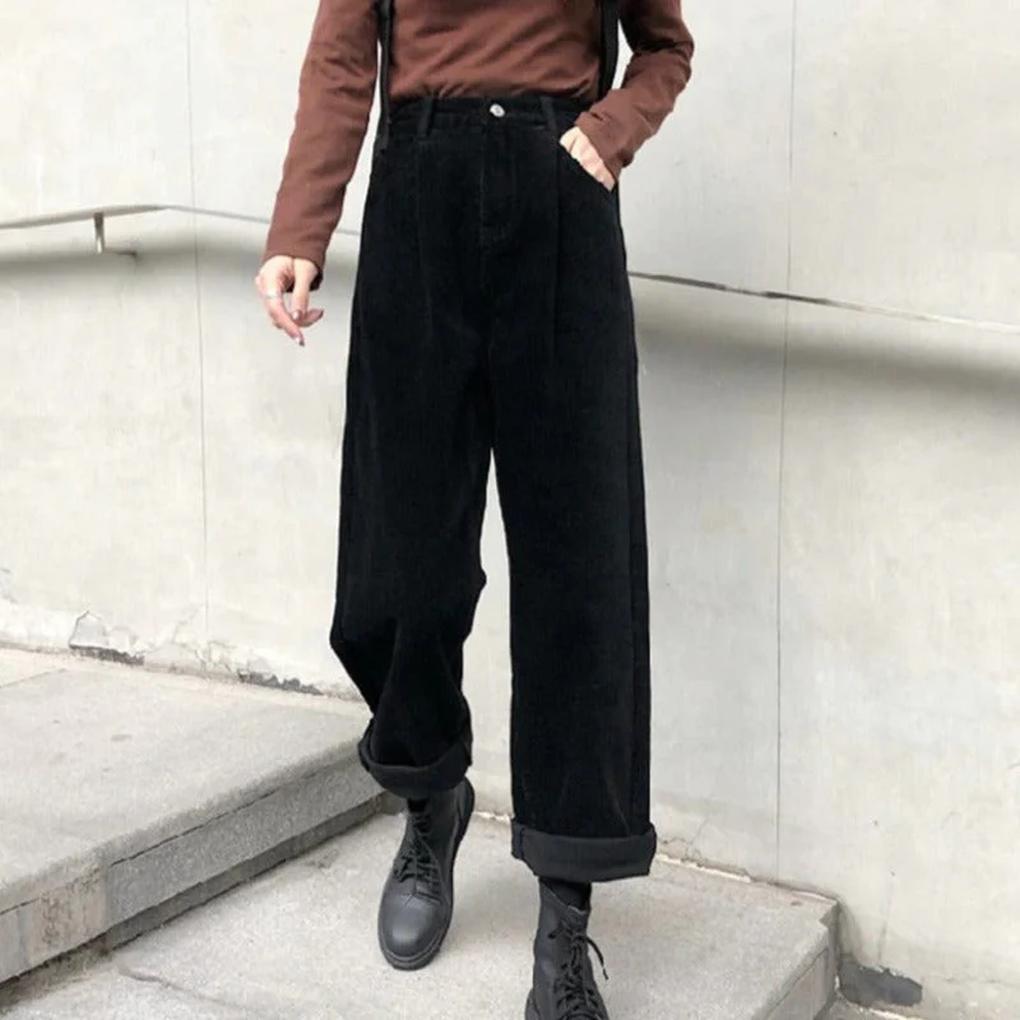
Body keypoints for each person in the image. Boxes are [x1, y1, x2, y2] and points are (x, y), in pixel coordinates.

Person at [254, 2, 693, 1016]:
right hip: (418, 203)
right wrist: (301, 228)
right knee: (397, 567)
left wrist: (610, 133)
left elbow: (665, 49)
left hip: (561, 205)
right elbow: (341, 59)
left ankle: (565, 916)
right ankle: (430, 792)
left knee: (580, 576)